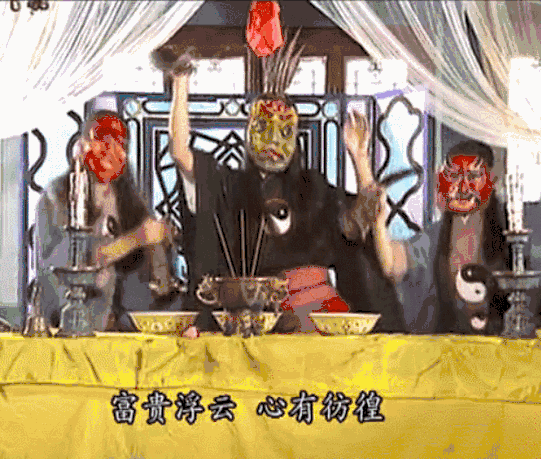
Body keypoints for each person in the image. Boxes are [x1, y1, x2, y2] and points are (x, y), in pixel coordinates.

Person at [157, 33, 404, 335]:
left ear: (295, 138)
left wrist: (360, 158)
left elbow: (359, 222)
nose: (273, 140)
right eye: (263, 127)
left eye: (283, 131)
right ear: (248, 133)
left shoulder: (312, 188)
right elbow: (181, 153)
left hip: (315, 317)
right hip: (250, 318)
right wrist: (181, 80)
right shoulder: (227, 186)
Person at [347, 110, 541, 335]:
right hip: (451, 345)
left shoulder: (515, 229)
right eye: (454, 176)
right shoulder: (436, 237)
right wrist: (361, 160)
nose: (462, 187)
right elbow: (392, 266)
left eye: (473, 177)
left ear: (492, 180)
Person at [35, 111, 175, 332]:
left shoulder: (128, 198)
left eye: (120, 144)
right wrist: (135, 238)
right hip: (71, 321)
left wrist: (161, 243)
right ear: (81, 146)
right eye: (103, 140)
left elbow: (154, 276)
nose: (111, 150)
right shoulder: (57, 196)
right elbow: (76, 261)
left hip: (125, 325)